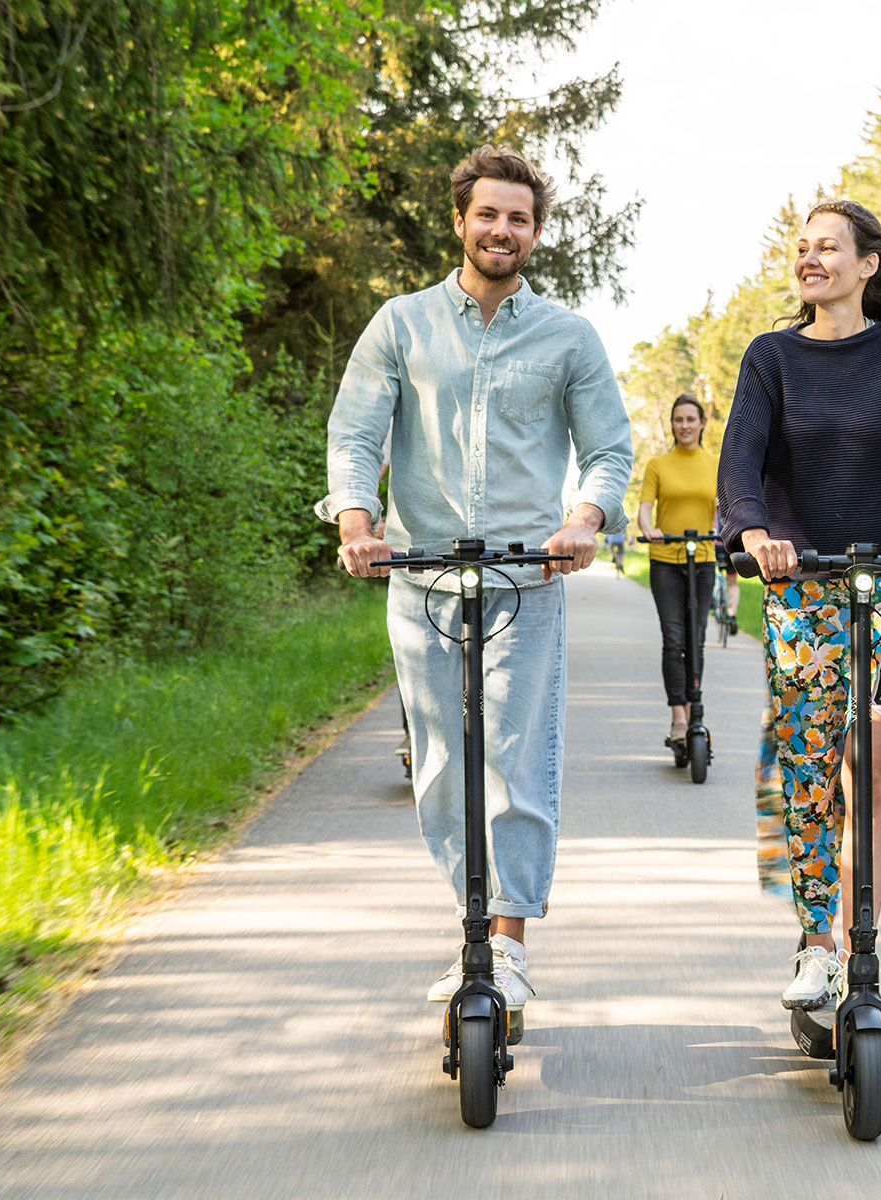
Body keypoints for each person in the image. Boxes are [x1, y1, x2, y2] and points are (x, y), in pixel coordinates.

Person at [318, 144, 633, 1014]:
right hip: (422, 583)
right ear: (459, 220)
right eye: (488, 214)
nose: (503, 230)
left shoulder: (568, 336)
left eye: (520, 218)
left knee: (516, 762)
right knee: (441, 766)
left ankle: (510, 943)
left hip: (526, 585)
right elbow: (356, 431)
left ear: (535, 233)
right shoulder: (400, 324)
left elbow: (608, 450)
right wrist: (356, 516)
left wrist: (585, 520)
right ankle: (469, 929)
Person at [717, 200, 881, 1014]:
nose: (811, 258)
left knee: (869, 762)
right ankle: (814, 940)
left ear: (868, 265)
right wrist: (754, 533)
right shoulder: (771, 359)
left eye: (827, 247)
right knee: (807, 770)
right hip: (802, 589)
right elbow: (742, 462)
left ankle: (859, 940)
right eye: (802, 247)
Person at [637, 394, 719, 746]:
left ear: (702, 423)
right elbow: (645, 508)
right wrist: (648, 529)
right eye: (678, 419)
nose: (684, 425)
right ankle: (679, 718)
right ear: (672, 424)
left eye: (690, 419)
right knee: (674, 640)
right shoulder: (658, 464)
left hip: (702, 560)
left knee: (696, 639)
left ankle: (695, 708)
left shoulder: (716, 463)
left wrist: (724, 531)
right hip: (666, 562)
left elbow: (725, 508)